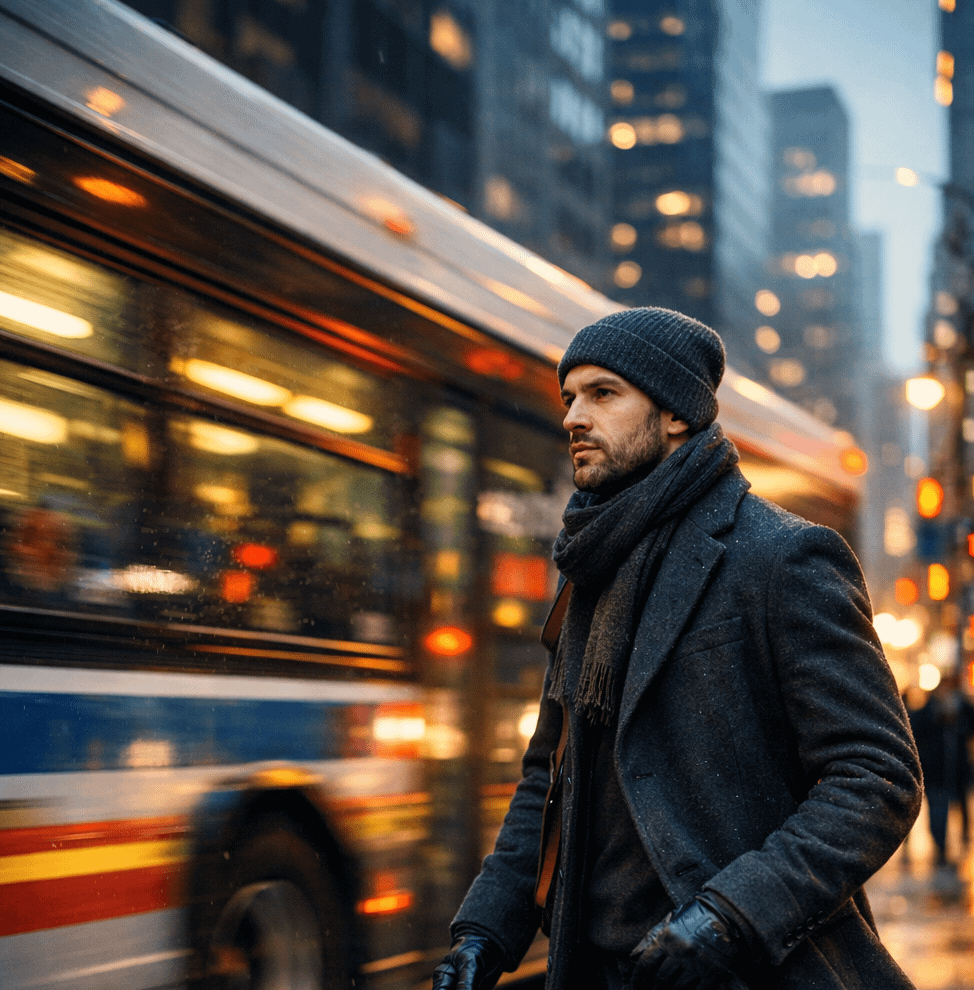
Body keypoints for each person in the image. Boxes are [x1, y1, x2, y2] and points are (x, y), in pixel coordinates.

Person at [431, 307, 922, 990]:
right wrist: (484, 931)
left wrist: (730, 916)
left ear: (676, 415)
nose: (574, 416)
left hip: (746, 971)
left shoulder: (783, 558)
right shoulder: (591, 570)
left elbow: (875, 777)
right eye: (569, 397)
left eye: (603, 394)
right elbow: (549, 777)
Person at [909, 671, 974, 866]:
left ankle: (963, 840)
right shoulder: (928, 712)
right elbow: (916, 733)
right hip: (936, 774)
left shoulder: (963, 712)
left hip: (958, 772)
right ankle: (941, 849)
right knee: (938, 812)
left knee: (961, 810)